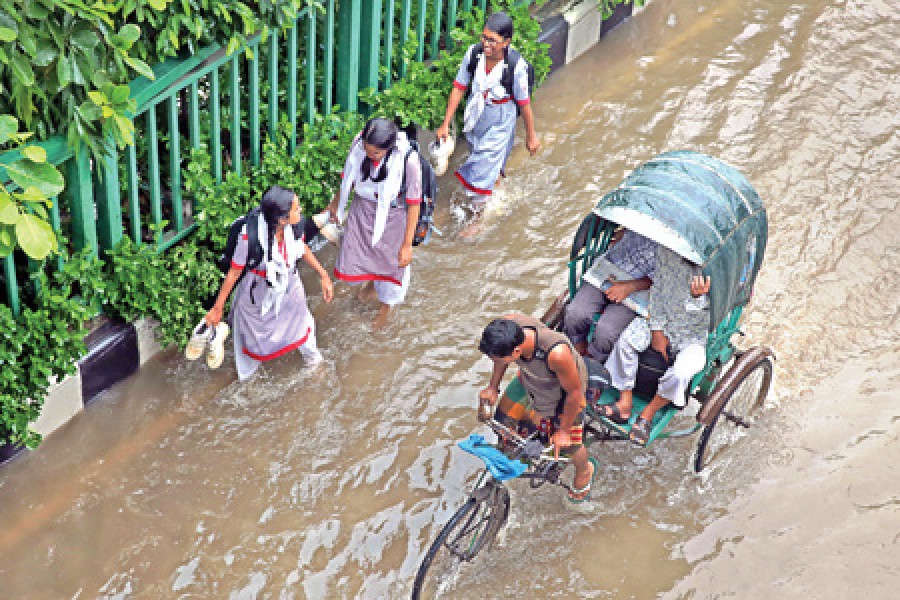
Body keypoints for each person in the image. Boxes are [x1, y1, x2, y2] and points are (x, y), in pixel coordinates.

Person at [205, 185, 334, 381]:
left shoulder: (294, 226)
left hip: (289, 285)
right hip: (257, 291)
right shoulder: (249, 237)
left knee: (302, 323)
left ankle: (314, 362)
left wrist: (323, 274)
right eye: (296, 209)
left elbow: (302, 248)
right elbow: (234, 272)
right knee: (251, 335)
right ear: (281, 219)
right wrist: (217, 308)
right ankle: (247, 378)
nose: (300, 211)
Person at [435, 12, 540, 233]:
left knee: (481, 168)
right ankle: (492, 191)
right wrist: (445, 123)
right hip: (477, 116)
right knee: (479, 161)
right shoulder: (474, 54)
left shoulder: (516, 67)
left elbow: (524, 105)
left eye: (492, 40)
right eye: (484, 37)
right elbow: (459, 87)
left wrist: (531, 136)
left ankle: (477, 219)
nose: (486, 44)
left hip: (500, 122)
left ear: (506, 42)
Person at [478, 313, 596, 503]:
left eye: (502, 359)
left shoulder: (557, 354)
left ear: (516, 352)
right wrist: (493, 387)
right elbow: (498, 358)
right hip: (530, 378)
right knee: (503, 420)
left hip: (565, 391)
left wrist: (564, 431)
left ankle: (585, 470)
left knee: (569, 445)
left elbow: (574, 393)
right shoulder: (510, 324)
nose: (499, 363)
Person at [600, 246, 711, 446]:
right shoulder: (669, 252)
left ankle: (648, 413)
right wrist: (657, 331)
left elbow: (706, 321)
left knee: (681, 373)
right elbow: (658, 291)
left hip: (692, 336)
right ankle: (625, 402)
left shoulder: (714, 266)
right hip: (662, 319)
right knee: (626, 340)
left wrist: (698, 298)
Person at [326, 118, 422, 329]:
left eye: (376, 154)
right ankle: (371, 283)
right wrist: (335, 205)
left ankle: (386, 308)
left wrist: (406, 245)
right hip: (362, 211)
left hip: (393, 217)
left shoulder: (409, 160)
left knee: (392, 265)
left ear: (389, 149)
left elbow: (414, 203)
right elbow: (348, 178)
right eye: (367, 151)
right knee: (356, 256)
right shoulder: (358, 144)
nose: (369, 156)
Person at [562, 228, 656, 361]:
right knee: (576, 313)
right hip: (609, 268)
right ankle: (577, 347)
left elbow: (664, 280)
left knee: (606, 332)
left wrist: (630, 286)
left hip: (641, 288)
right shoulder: (640, 215)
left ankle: (592, 361)